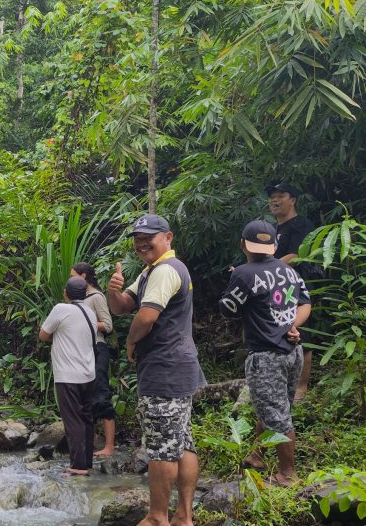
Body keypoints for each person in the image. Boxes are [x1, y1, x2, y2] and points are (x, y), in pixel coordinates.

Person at [107, 214, 206, 526]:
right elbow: (123, 306)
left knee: (162, 448)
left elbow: (146, 316)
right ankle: (183, 516)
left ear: (168, 237)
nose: (141, 243)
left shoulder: (165, 271)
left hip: (165, 368)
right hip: (177, 367)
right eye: (138, 238)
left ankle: (157, 517)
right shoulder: (152, 271)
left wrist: (130, 342)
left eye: (148, 237)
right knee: (182, 443)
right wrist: (113, 290)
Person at [219, 220, 311, 486]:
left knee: (278, 416)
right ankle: (257, 455)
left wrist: (235, 281)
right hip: (293, 352)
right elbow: (305, 303)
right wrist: (292, 325)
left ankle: (287, 474)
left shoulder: (244, 273)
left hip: (266, 356)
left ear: (243, 245)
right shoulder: (289, 271)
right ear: (275, 244)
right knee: (274, 407)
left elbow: (228, 309)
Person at [39, 277, 98, 476]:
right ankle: (87, 462)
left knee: (73, 420)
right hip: (88, 372)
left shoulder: (61, 309)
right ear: (85, 293)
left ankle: (78, 466)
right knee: (86, 417)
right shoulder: (90, 312)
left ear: (65, 293)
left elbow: (43, 335)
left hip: (67, 375)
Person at [266, 183, 317, 400]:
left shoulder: (301, 224)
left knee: (302, 332)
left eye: (280, 196)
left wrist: (264, 269)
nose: (274, 200)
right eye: (272, 197)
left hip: (298, 287)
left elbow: (296, 255)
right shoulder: (272, 229)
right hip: (274, 287)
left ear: (293, 200)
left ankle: (301, 388)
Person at [71, 262, 116, 456]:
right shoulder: (77, 300)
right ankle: (91, 442)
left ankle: (109, 446)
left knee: (101, 394)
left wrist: (85, 323)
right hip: (81, 351)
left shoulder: (96, 296)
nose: (70, 280)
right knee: (84, 397)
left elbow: (108, 325)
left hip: (97, 348)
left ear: (83, 276)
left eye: (73, 276)